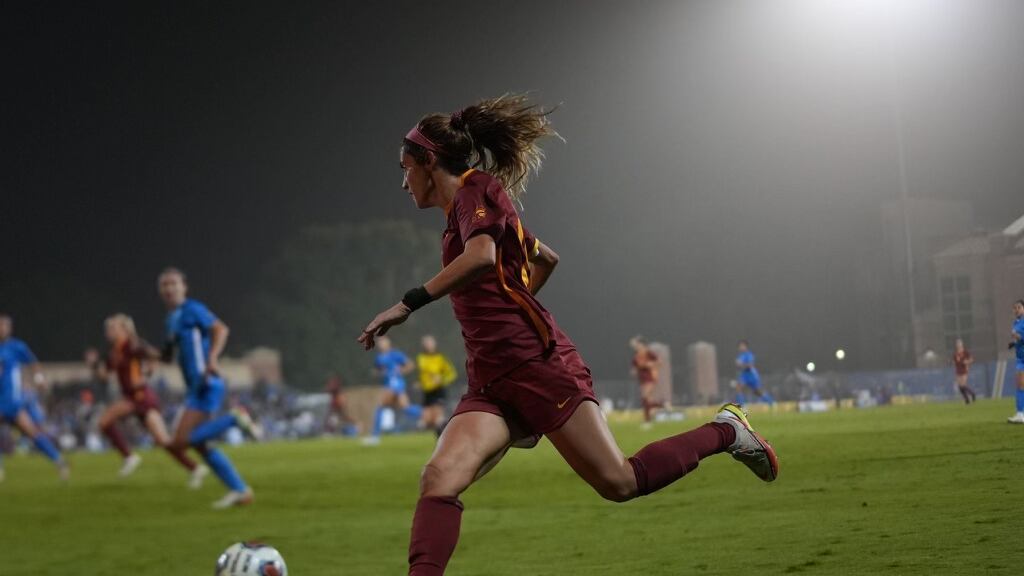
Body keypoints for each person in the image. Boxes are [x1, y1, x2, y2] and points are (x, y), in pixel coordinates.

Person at [357, 94, 779, 575]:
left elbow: (480, 259)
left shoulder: (478, 189)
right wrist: (513, 300)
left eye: (405, 167)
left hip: (538, 367)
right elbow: (545, 259)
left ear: (428, 161)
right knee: (438, 478)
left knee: (619, 482)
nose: (402, 180)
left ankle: (727, 431)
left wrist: (406, 304)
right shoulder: (468, 214)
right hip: (492, 380)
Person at [158, 268, 259, 508]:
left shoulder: (192, 309)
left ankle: (234, 419)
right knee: (199, 444)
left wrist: (212, 358)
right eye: (164, 285)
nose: (169, 289)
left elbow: (220, 329)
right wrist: (143, 354)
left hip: (206, 382)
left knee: (180, 442)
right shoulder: (171, 320)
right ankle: (240, 491)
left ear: (184, 287)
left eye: (173, 283)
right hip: (195, 387)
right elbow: (167, 356)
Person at [94, 313, 209, 483]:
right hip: (133, 398)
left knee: (104, 421)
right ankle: (195, 468)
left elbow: (155, 356)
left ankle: (129, 457)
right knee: (163, 441)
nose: (108, 331)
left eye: (112, 327)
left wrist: (146, 374)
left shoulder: (133, 345)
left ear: (124, 329)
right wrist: (97, 367)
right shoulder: (116, 351)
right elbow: (106, 373)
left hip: (140, 397)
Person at [0, 314, 69, 481]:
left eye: (5, 325)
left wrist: (38, 379)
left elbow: (33, 362)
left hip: (11, 400)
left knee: (32, 433)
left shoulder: (16, 347)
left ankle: (59, 461)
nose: (2, 328)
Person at [363, 336, 421, 445]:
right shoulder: (379, 358)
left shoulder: (395, 354)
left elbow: (411, 365)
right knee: (406, 408)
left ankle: (375, 437)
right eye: (379, 342)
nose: (381, 344)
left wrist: (401, 370)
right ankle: (427, 416)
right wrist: (378, 373)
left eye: (383, 341)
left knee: (380, 406)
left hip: (395, 384)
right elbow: (378, 370)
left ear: (388, 343)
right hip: (388, 385)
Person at [416, 335, 458, 437]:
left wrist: (441, 379)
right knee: (425, 421)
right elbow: (422, 375)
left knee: (438, 417)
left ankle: (447, 435)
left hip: (438, 390)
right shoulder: (420, 358)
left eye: (430, 342)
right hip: (427, 392)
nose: (428, 345)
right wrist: (420, 383)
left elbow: (452, 374)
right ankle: (445, 431)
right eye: (426, 343)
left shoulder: (440, 358)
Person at [629, 336, 662, 427]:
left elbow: (659, 362)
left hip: (650, 377)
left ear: (641, 344)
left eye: (636, 344)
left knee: (644, 398)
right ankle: (662, 405)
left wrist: (650, 364)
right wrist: (634, 371)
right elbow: (634, 368)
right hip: (642, 379)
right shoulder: (636, 356)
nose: (634, 346)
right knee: (647, 400)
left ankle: (647, 421)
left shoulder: (648, 353)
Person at [736, 340, 773, 406]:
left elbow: (750, 365)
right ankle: (742, 407)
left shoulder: (749, 354)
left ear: (746, 346)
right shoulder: (740, 356)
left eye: (742, 346)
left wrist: (741, 364)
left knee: (757, 392)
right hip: (744, 375)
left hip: (751, 375)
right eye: (740, 346)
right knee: (739, 388)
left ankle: (771, 402)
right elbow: (740, 366)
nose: (740, 347)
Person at [1007, 300, 1024, 423]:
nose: (1016, 309)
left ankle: (1020, 414)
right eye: (1014, 308)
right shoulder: (1015, 322)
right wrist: (1014, 343)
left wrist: (1017, 336)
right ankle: (1020, 413)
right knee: (1020, 385)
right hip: (1020, 358)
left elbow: (1021, 337)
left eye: (1019, 307)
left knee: (1020, 385)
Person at [951, 338, 976, 405]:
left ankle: (972, 394)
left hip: (964, 370)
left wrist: (967, 362)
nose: (958, 345)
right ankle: (967, 399)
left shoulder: (965, 352)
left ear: (962, 344)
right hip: (958, 370)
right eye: (957, 344)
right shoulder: (955, 354)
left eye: (959, 344)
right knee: (960, 387)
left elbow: (971, 359)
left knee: (963, 385)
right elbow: (954, 362)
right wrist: (954, 364)